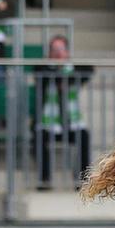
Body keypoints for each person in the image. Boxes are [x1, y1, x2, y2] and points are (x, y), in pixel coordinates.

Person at [35, 35, 92, 189]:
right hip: (50, 122)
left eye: (61, 49)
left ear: (67, 52)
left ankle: (82, 181)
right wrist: (60, 74)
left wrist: (65, 75)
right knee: (40, 136)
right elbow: (41, 74)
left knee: (84, 136)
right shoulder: (43, 68)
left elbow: (89, 70)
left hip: (71, 122)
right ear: (49, 53)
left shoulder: (73, 68)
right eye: (54, 50)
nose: (58, 53)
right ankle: (44, 180)